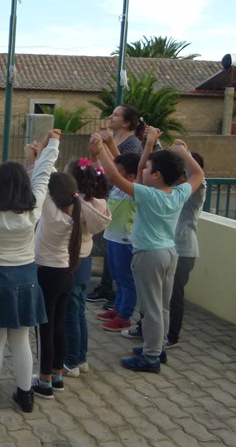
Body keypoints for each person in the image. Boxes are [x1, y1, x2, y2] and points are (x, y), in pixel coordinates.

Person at [0, 129, 60, 414]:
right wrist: (52, 145)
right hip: (26, 278)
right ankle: (25, 395)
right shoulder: (33, 208)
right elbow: (43, 174)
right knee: (21, 339)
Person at [92, 128, 205, 372]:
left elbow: (114, 176)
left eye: (147, 168)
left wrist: (100, 149)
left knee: (151, 308)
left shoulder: (148, 195)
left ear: (156, 174)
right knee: (162, 305)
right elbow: (198, 174)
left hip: (149, 255)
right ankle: (158, 347)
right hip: (169, 253)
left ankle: (151, 357)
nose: (142, 170)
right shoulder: (178, 193)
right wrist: (182, 153)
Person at [85, 103, 144, 303]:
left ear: (126, 123)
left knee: (120, 260)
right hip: (111, 196)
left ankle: (117, 298)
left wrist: (107, 146)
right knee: (109, 248)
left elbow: (124, 169)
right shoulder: (114, 139)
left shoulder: (132, 143)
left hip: (122, 199)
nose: (111, 117)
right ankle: (108, 289)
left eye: (116, 115)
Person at [33, 171, 83, 399]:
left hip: (47, 275)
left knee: (45, 329)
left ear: (53, 195)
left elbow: (41, 179)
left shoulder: (52, 215)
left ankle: (44, 381)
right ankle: (57, 375)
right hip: (65, 274)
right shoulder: (74, 215)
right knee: (59, 326)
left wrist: (40, 157)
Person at [62, 156, 111, 377]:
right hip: (85, 259)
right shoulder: (98, 203)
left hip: (72, 261)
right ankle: (81, 358)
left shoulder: (74, 205)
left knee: (70, 314)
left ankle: (71, 361)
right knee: (79, 311)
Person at [95, 152, 140, 333]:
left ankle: (125, 316)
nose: (112, 173)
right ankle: (118, 309)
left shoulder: (134, 189)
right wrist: (106, 146)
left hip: (125, 240)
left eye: (118, 171)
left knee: (126, 279)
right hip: (112, 237)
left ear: (131, 176)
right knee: (117, 277)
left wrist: (101, 149)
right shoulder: (117, 187)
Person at [166, 152, 206, 348]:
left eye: (185, 171)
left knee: (174, 296)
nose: (181, 175)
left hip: (183, 252)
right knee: (159, 295)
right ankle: (146, 328)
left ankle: (171, 336)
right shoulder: (172, 191)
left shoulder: (195, 194)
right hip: (165, 249)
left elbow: (199, 177)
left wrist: (184, 153)